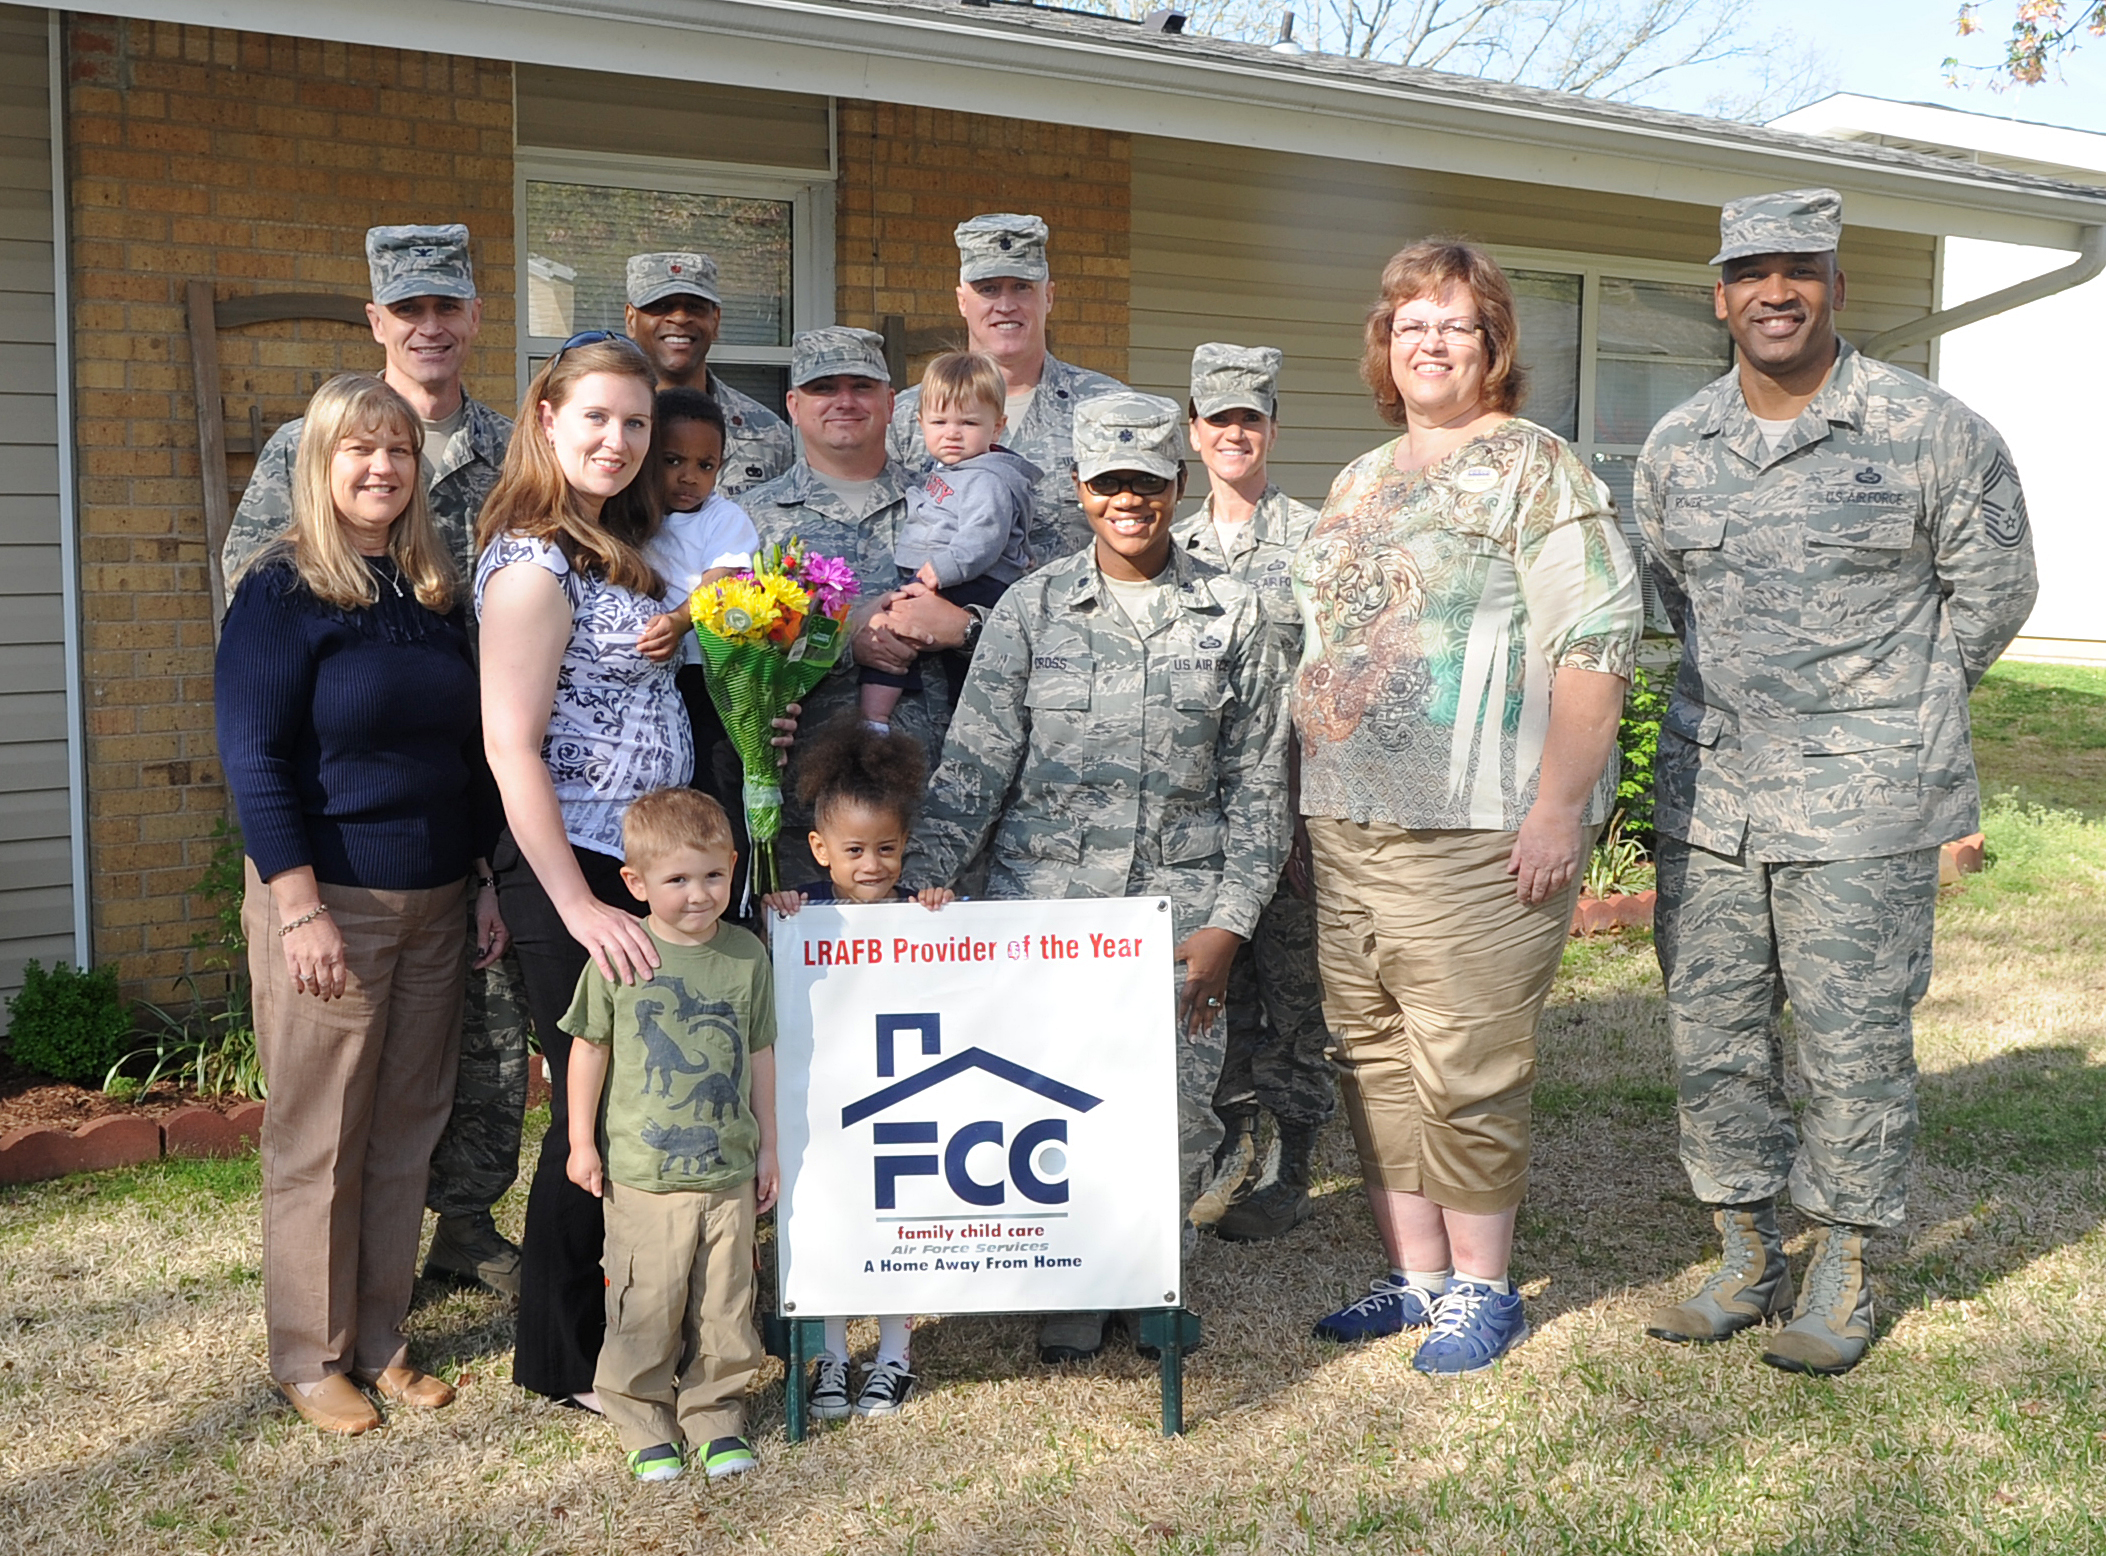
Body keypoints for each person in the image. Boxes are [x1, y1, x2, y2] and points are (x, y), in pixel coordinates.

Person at [1636, 189, 2038, 1375]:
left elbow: (1995, 594)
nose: (1775, 290)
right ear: (1720, 296)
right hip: (1714, 798)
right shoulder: (1679, 445)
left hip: (1865, 802)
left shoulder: (1932, 432)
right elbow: (1674, 597)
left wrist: (1886, 710)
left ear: (1836, 287)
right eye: (1750, 271)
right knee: (1712, 1031)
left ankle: (1848, 1264)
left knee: (1852, 1041)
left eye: (1798, 268)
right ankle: (1746, 1248)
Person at [1297, 240, 1642, 1375]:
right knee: (1375, 1056)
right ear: (1383, 350)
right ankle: (1417, 1277)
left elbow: (1595, 642)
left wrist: (1559, 808)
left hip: (1479, 829)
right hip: (1350, 827)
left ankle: (1485, 1288)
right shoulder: (1359, 480)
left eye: (1452, 323)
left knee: (1467, 1061)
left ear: (1493, 345)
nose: (1428, 342)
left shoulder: (1538, 468)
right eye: (1408, 325)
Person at [909, 391, 1290, 1364]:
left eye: (1149, 481)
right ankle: (1074, 1285)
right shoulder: (1033, 610)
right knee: (1057, 1098)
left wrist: (1232, 920)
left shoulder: (1234, 611)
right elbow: (977, 764)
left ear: (1176, 483)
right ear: (1080, 488)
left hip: (1180, 915)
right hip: (1049, 915)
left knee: (1171, 1106)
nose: (1131, 499)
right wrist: (921, 889)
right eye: (1109, 481)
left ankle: (1147, 1277)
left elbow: (1257, 783)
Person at [221, 222, 529, 1302]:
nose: (430, 326)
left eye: (448, 306)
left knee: (464, 1061)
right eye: (410, 309)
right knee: (337, 1098)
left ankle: (458, 1231)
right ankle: (327, 1312)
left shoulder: (515, 446)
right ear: (377, 320)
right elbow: (259, 625)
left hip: (457, 817)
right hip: (343, 825)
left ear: (474, 317)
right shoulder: (309, 451)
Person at [216, 373, 503, 1433]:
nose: (381, 467)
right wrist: (297, 906)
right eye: (358, 450)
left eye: (398, 450)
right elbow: (253, 758)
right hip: (329, 895)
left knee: (404, 1126)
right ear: (321, 463)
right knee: (320, 1132)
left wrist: (477, 881)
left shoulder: (430, 594)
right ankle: (307, 1350)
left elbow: (465, 755)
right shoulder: (282, 591)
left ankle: (381, 1337)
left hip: (434, 897)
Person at [476, 330, 688, 1409]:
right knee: (590, 1111)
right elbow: (511, 744)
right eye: (596, 416)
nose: (617, 438)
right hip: (578, 873)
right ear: (547, 418)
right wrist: (575, 902)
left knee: (632, 1102)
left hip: (636, 867)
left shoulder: (611, 544)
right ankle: (565, 1360)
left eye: (636, 422)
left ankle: (632, 1326)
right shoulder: (531, 561)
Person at [1170, 343, 1336, 1245]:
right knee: (1217, 981)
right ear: (1194, 432)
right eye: (1218, 418)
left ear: (1272, 428)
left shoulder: (1317, 542)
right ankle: (1232, 1140)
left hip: (1298, 801)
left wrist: (1316, 810)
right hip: (1208, 807)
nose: (1235, 433)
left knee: (1295, 981)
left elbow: (1346, 680)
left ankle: (1294, 1160)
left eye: (1251, 418)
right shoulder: (1170, 545)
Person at [562, 787, 777, 1483]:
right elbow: (589, 1048)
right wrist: (581, 1142)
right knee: (646, 1301)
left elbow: (761, 1054)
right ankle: (641, 1413)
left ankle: (716, 1415)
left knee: (725, 1305)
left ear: (734, 868)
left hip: (727, 1173)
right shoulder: (620, 955)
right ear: (636, 883)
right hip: (644, 1174)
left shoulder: (746, 955)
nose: (698, 894)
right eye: (677, 880)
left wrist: (767, 1146)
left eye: (713, 875)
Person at [758, 718, 956, 1422]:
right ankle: (833, 1358)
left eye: (887, 849)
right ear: (818, 850)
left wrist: (943, 914)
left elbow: (962, 978)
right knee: (833, 1221)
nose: (871, 865)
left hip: (905, 1100)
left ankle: (895, 1358)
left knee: (903, 1220)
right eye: (853, 851)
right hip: (826, 1104)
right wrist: (777, 912)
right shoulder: (799, 913)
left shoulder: (919, 912)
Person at [738, 327, 980, 886]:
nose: (844, 401)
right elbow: (733, 660)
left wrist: (958, 629)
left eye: (861, 386)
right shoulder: (749, 521)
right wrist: (845, 636)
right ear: (794, 405)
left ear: (892, 403)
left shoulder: (951, 503)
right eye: (824, 387)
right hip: (805, 818)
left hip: (936, 810)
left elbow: (1014, 632)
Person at [888, 214, 1126, 567]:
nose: (1005, 305)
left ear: (1048, 296)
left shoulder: (1107, 407)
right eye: (988, 289)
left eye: (1022, 286)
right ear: (962, 301)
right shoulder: (908, 415)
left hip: (1067, 618)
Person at [860, 350, 1037, 729]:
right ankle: (875, 717)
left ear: (997, 427)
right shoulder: (946, 471)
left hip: (975, 582)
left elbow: (984, 537)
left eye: (969, 422)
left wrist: (943, 569)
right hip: (945, 576)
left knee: (905, 635)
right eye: (939, 421)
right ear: (920, 423)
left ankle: (879, 717)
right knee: (895, 632)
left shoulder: (987, 478)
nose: (952, 433)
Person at [633, 387, 762, 873]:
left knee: (716, 789)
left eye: (706, 466)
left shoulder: (722, 517)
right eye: (672, 461)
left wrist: (680, 619)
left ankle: (729, 891)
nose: (689, 477)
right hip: (644, 687)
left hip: (705, 678)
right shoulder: (629, 517)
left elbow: (724, 578)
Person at [625, 252, 793, 499]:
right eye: (661, 306)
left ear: (715, 321)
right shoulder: (607, 428)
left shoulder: (768, 434)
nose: (680, 318)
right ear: (631, 320)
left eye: (694, 307)